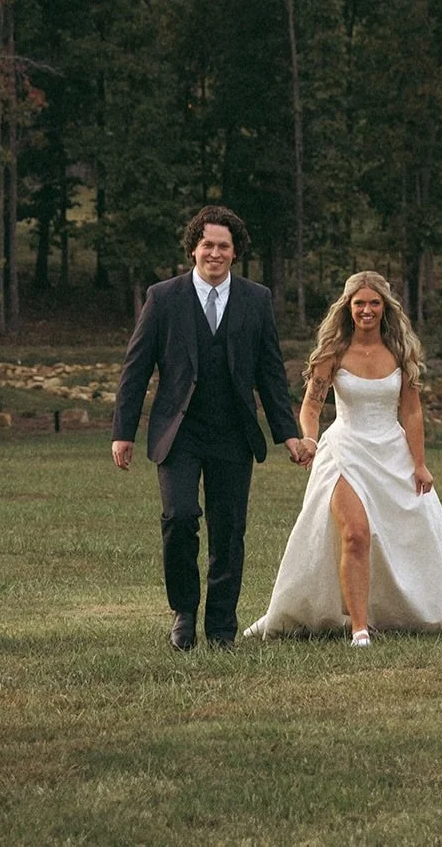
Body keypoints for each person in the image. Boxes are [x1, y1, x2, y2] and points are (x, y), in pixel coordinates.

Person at [243, 270, 442, 646]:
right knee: (356, 534)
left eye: (374, 303)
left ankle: (411, 608)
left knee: (403, 537)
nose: (366, 310)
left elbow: (411, 412)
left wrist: (419, 463)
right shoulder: (332, 354)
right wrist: (309, 439)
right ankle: (358, 627)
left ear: (385, 307)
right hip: (345, 451)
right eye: (359, 303)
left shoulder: (400, 353)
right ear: (348, 307)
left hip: (392, 453)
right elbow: (311, 405)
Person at [111, 205, 311, 651]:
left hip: (233, 434)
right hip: (177, 433)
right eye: (207, 245)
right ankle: (184, 612)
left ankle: (222, 627)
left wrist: (289, 433)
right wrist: (122, 430)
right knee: (179, 518)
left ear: (235, 252)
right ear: (193, 249)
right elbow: (135, 368)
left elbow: (271, 373)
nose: (214, 253)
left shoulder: (256, 300)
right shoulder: (163, 298)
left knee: (228, 531)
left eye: (223, 246)